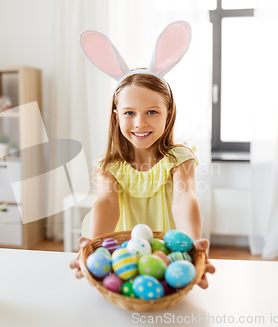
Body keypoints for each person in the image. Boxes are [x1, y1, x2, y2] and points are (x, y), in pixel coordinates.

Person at [69, 21, 215, 289]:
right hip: (124, 258)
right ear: (117, 116)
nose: (139, 123)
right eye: (129, 113)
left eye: (152, 112)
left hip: (167, 256)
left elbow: (184, 200)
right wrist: (94, 250)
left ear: (168, 112)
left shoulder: (179, 159)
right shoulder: (109, 167)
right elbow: (107, 204)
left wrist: (195, 247)